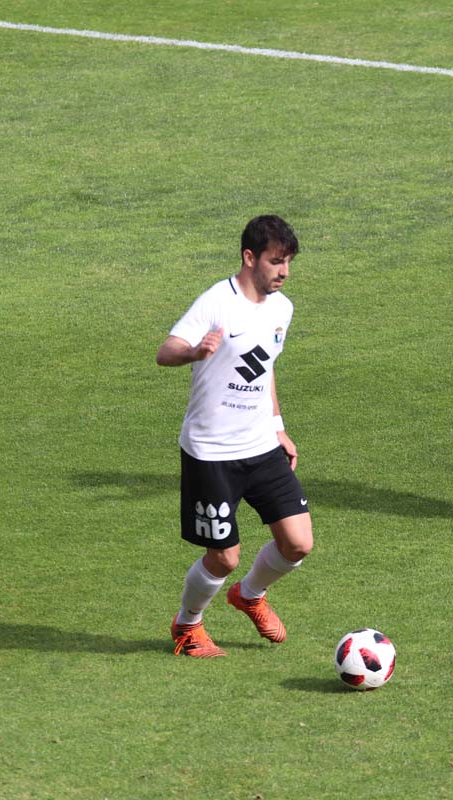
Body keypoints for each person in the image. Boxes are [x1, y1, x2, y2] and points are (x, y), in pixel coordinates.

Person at [156, 215, 313, 657]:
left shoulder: (283, 308)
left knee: (298, 542)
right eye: (275, 261)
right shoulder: (215, 303)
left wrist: (279, 428)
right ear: (249, 257)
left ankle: (250, 595)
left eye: (288, 263)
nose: (283, 271)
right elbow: (164, 351)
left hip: (261, 444)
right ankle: (187, 627)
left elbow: (264, 370)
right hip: (212, 453)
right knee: (223, 556)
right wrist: (194, 351)